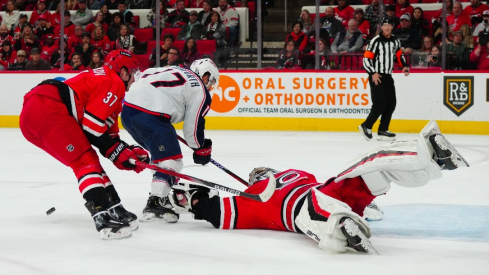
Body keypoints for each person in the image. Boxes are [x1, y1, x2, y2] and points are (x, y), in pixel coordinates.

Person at [168, 120, 468, 253]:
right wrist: (191, 198)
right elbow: (213, 210)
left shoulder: (283, 180)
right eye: (257, 173)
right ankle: (344, 227)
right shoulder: (255, 196)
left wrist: (195, 199)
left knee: (372, 163)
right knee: (316, 212)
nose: (260, 174)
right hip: (313, 205)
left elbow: (213, 209)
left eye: (260, 171)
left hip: (324, 194)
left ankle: (432, 155)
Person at [20, 49, 148, 240]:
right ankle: (102, 215)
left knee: (88, 157)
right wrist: (117, 153)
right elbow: (92, 127)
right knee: (84, 160)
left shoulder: (107, 84)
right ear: (122, 71)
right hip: (47, 106)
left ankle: (113, 206)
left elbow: (108, 139)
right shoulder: (114, 82)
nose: (134, 80)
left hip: (34, 113)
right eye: (133, 73)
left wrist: (126, 152)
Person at [120, 58, 218, 222]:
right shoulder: (200, 89)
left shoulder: (173, 69)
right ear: (206, 76)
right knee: (172, 161)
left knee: (161, 158)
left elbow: (140, 77)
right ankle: (156, 202)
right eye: (211, 82)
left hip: (128, 112)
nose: (210, 86)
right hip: (151, 116)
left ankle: (161, 195)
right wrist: (201, 148)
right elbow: (192, 130)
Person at [359, 16, 409, 141]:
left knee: (391, 103)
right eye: (384, 25)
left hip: (387, 75)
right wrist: (373, 73)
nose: (387, 27)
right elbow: (366, 59)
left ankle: (383, 129)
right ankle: (366, 125)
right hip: (377, 75)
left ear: (392, 27)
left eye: (389, 25)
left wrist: (404, 66)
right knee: (380, 103)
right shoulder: (375, 41)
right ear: (381, 27)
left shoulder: (395, 41)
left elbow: (399, 55)